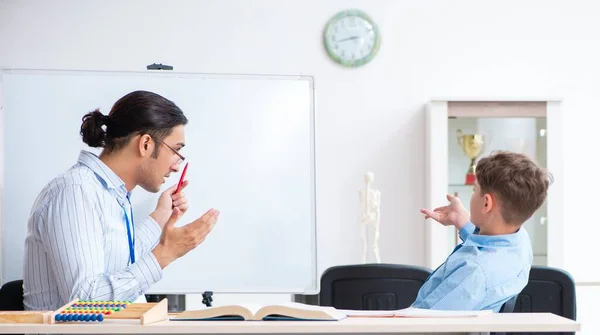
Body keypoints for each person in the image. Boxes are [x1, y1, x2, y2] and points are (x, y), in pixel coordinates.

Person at [23, 90, 219, 310]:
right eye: (175, 151)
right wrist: (166, 253)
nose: (176, 165)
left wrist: (162, 215)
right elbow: (84, 301)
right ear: (145, 144)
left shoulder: (112, 195)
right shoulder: (75, 191)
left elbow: (122, 262)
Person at [412, 151, 551, 312]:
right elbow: (493, 246)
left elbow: (423, 324)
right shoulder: (520, 242)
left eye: (474, 190)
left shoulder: (473, 273)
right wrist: (462, 222)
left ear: (486, 203)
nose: (472, 195)